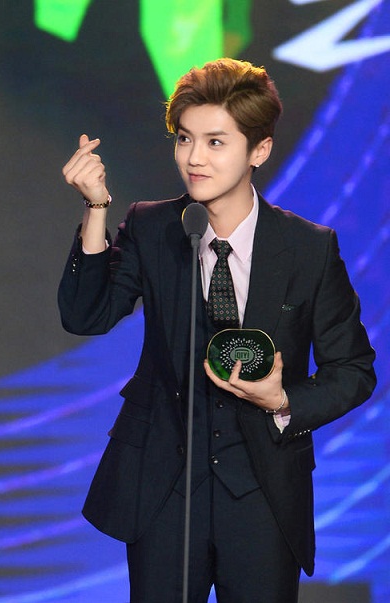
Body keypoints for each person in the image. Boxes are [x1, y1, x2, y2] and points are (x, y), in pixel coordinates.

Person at [58, 58, 376, 603]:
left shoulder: (308, 248)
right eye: (185, 139)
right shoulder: (154, 226)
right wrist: (96, 207)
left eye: (215, 142)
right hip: (164, 486)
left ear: (259, 150)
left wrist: (283, 400)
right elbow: (87, 315)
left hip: (262, 492)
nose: (194, 158)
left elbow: (353, 370)